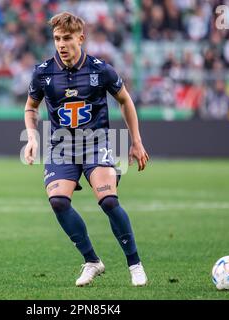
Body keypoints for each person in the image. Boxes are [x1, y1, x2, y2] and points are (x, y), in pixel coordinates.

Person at [23, 12, 150, 287]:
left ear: (81, 38)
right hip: (61, 147)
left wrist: (136, 140)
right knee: (57, 201)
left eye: (67, 38)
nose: (61, 44)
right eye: (57, 39)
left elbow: (125, 101)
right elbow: (31, 107)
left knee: (108, 201)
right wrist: (32, 138)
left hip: (97, 143)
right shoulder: (43, 72)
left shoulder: (100, 70)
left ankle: (135, 263)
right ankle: (92, 261)